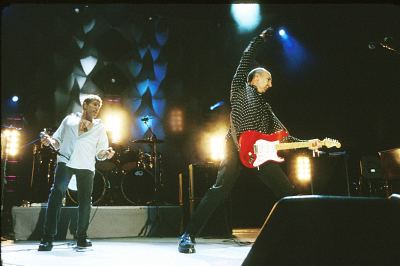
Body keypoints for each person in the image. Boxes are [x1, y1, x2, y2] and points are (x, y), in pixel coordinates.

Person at [178, 28, 322, 253]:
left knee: (287, 191)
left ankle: (305, 236)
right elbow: (245, 59)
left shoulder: (266, 107)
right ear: (255, 78)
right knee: (219, 190)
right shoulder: (239, 88)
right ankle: (188, 235)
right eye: (268, 79)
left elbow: (284, 135)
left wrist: (307, 143)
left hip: (261, 152)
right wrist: (259, 40)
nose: (271, 84)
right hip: (235, 147)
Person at [38, 94, 115, 251]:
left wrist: (106, 153)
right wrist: (49, 141)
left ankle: (82, 237)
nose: (97, 108)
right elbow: (57, 140)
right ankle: (47, 238)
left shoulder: (100, 127)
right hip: (66, 161)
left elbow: (100, 152)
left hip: (86, 165)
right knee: (56, 194)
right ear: (85, 105)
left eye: (99, 106)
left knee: (85, 201)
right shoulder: (69, 120)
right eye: (94, 104)